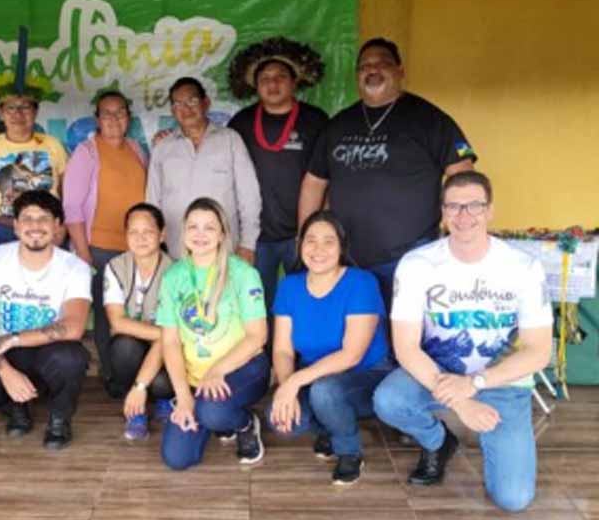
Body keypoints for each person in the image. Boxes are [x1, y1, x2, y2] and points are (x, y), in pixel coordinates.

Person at [373, 171, 553, 512]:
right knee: (389, 400)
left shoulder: (524, 267)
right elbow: (406, 347)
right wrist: (462, 404)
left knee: (513, 499)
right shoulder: (417, 264)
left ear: (490, 210)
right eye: (453, 206)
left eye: (474, 205)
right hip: (439, 371)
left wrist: (475, 385)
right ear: (443, 212)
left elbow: (538, 351)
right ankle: (439, 441)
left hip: (502, 381)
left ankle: (497, 442)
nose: (463, 215)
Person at [299, 37, 477, 304]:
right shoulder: (338, 125)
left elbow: (464, 177)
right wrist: (306, 239)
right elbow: (314, 183)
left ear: (400, 70)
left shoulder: (429, 119)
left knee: (406, 328)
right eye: (364, 66)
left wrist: (461, 233)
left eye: (382, 63)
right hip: (346, 260)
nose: (372, 70)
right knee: (355, 328)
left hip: (411, 258)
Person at [0, 190, 92, 450]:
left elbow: (73, 327)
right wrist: (5, 371)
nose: (35, 226)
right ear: (15, 226)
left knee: (70, 358)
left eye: (44, 218)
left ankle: (60, 418)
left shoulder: (75, 267)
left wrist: (11, 339)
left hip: (48, 351)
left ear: (57, 226)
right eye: (27, 218)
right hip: (7, 353)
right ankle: (14, 404)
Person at [268, 211, 392, 485]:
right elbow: (282, 351)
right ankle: (330, 425)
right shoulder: (290, 286)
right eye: (311, 240)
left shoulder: (361, 282)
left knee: (325, 392)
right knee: (281, 419)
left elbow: (351, 355)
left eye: (328, 241)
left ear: (341, 247)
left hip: (366, 373)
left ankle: (349, 451)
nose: (318, 249)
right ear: (300, 245)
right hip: (314, 375)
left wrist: (295, 382)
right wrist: (287, 388)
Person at [226, 37, 329, 332]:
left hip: (303, 233)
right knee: (258, 306)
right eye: (265, 79)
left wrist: (317, 229)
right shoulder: (241, 123)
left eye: (280, 76)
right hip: (256, 237)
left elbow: (329, 177)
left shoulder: (316, 120)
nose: (272, 84)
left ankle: (302, 356)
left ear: (295, 81)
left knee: (307, 299)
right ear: (255, 85)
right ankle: (265, 356)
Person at [158, 198, 269, 469]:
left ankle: (244, 424)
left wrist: (217, 370)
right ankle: (211, 413)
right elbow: (170, 342)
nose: (200, 234)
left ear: (222, 234)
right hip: (196, 379)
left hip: (243, 369)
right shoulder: (173, 277)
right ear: (183, 232)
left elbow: (257, 336)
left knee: (212, 410)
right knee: (177, 458)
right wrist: (183, 396)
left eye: (209, 227)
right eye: (193, 227)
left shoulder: (243, 273)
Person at [63, 90, 148, 396]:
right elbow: (72, 207)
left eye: (120, 112)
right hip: (99, 248)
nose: (114, 119)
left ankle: (140, 373)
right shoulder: (87, 153)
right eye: (107, 113)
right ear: (97, 119)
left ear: (129, 117)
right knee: (106, 315)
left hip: (137, 249)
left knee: (138, 312)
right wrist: (83, 252)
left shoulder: (136, 149)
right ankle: (112, 376)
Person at [146, 77, 261, 263]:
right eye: (178, 104)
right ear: (173, 111)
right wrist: (154, 245)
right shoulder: (163, 147)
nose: (186, 109)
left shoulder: (230, 140)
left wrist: (248, 244)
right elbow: (152, 201)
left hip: (224, 251)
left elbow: (249, 196)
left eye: (192, 101)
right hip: (176, 252)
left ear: (205, 103)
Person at [102, 203, 176, 440]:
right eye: (133, 231)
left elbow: (174, 335)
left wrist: (167, 336)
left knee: (162, 382)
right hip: (138, 344)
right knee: (124, 346)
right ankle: (136, 409)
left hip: (166, 349)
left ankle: (164, 398)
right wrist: (164, 333)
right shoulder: (115, 267)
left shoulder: (177, 271)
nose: (140, 238)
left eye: (148, 231)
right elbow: (117, 323)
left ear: (162, 234)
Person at [0, 83, 68, 248]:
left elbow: (68, 196)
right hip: (2, 231)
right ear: (2, 112)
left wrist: (62, 230)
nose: (18, 114)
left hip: (46, 230)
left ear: (35, 111)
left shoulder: (53, 145)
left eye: (25, 107)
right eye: (11, 108)